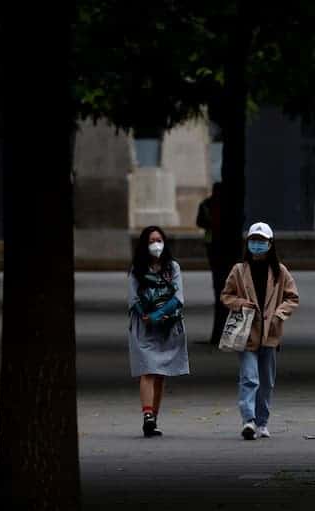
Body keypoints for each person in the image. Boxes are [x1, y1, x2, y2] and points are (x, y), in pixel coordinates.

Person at [221, 222, 300, 440]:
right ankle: (248, 420)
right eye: (254, 241)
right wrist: (240, 303)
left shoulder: (280, 271)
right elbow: (226, 295)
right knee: (249, 377)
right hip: (246, 332)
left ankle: (262, 421)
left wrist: (279, 314)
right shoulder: (239, 270)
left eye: (262, 241)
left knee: (266, 381)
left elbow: (292, 297)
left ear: (270, 244)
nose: (257, 245)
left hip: (270, 334)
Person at [127, 226, 189, 437]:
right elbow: (133, 298)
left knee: (161, 373)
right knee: (148, 369)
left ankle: (154, 418)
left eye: (159, 239)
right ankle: (147, 416)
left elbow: (178, 298)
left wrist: (159, 314)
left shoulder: (173, 268)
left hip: (167, 327)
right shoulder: (137, 270)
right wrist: (146, 316)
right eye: (151, 240)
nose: (156, 244)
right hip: (144, 328)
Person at [195, 182, 227, 344]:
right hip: (215, 241)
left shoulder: (207, 204)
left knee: (218, 273)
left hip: (213, 241)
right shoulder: (213, 205)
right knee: (218, 272)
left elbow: (199, 222)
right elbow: (200, 222)